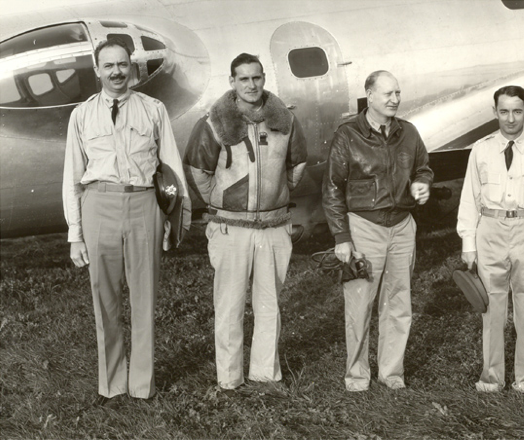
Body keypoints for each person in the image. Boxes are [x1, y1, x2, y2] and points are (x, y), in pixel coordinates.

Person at [62, 38, 191, 404]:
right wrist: (76, 234)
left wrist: (172, 217)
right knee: (104, 298)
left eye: (122, 64)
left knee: (144, 296)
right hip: (98, 204)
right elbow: (72, 176)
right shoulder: (82, 115)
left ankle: (142, 385)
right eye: (109, 66)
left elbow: (170, 167)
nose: (117, 72)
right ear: (97, 70)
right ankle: (112, 383)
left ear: (131, 67)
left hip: (142, 204)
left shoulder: (153, 109)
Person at [184, 53, 307, 390]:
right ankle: (229, 378)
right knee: (229, 305)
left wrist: (278, 191)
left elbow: (298, 162)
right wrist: (218, 199)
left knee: (270, 305)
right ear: (232, 82)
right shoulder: (213, 122)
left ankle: (265, 374)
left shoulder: (285, 120)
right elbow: (197, 168)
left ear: (264, 78)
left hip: (274, 226)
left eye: (256, 78)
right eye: (243, 79)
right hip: (230, 228)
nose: (251, 85)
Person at [322, 70, 433, 391]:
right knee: (359, 305)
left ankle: (391, 373)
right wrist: (342, 237)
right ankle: (357, 376)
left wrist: (422, 184)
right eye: (388, 94)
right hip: (364, 228)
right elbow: (331, 188)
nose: (395, 99)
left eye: (398, 93)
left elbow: (423, 167)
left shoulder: (409, 133)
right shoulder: (348, 135)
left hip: (402, 226)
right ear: (369, 95)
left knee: (399, 302)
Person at [457, 85, 524, 393]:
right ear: (495, 113)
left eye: (517, 111)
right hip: (489, 230)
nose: (511, 119)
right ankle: (491, 378)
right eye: (504, 111)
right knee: (491, 307)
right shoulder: (481, 149)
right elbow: (469, 199)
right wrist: (468, 243)